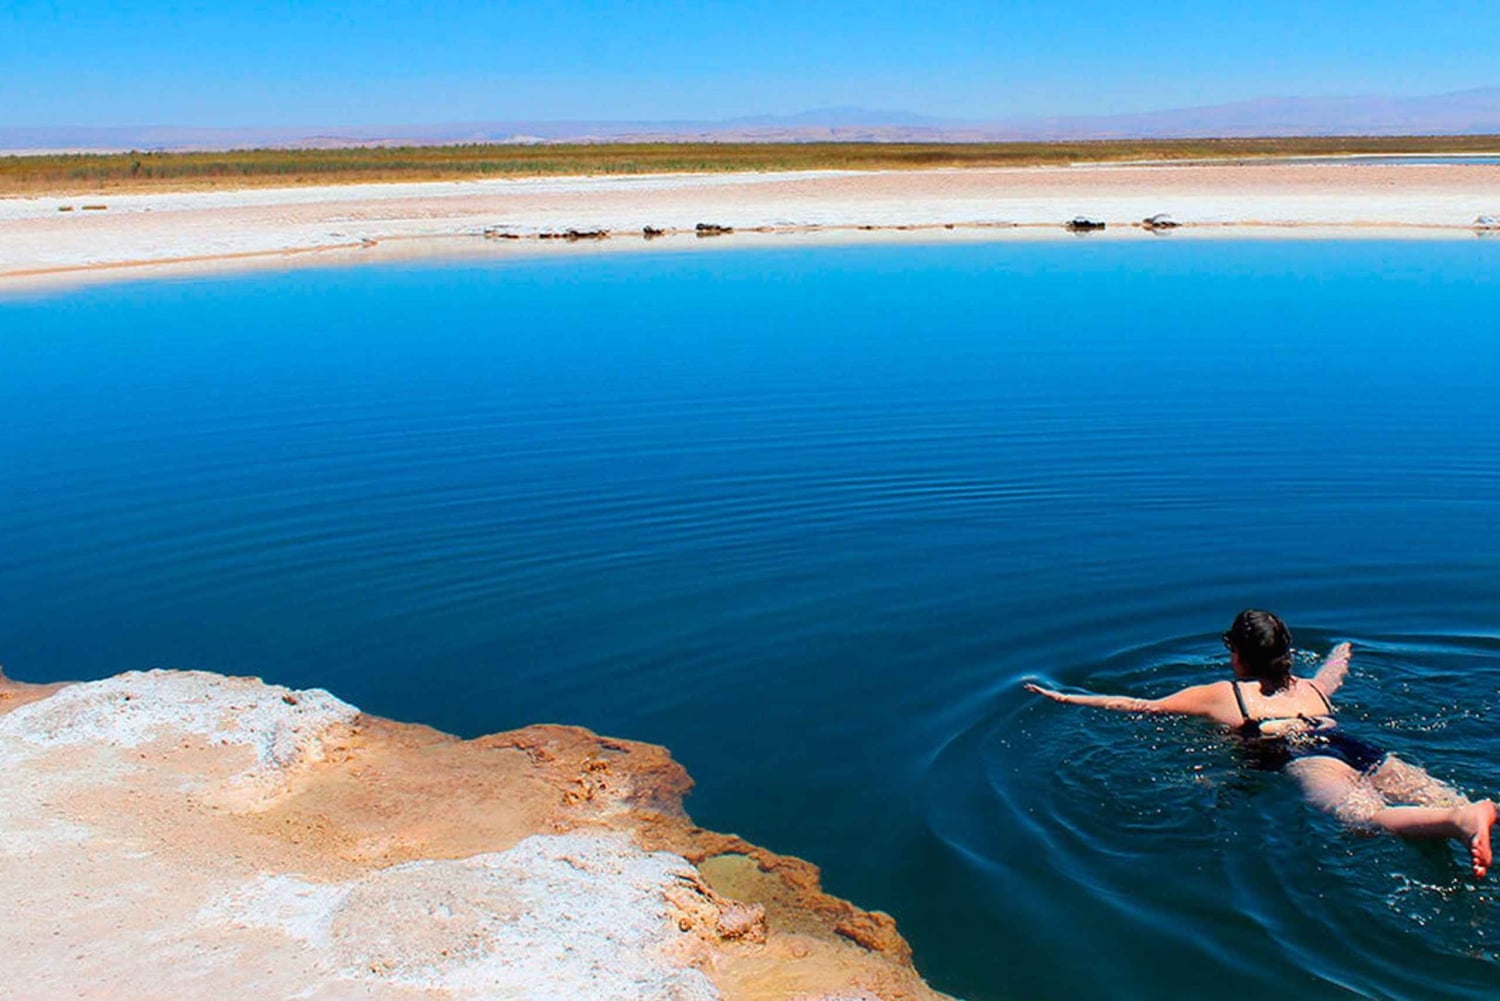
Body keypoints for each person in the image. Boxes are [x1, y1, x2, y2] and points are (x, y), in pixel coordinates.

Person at [1025, 609, 1497, 878]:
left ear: (1237, 654)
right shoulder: (1309, 688)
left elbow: (1139, 706)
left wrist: (1065, 696)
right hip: (1353, 744)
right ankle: (1467, 811)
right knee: (1432, 794)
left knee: (1364, 819)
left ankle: (1461, 820)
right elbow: (1333, 674)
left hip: (1306, 756)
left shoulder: (1223, 696)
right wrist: (1341, 651)